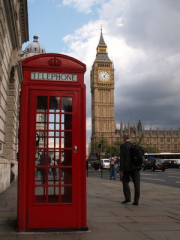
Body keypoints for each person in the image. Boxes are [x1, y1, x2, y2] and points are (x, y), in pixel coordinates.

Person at [120, 133, 141, 206]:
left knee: (125, 181)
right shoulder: (134, 145)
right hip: (136, 167)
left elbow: (122, 158)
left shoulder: (123, 146)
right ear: (130, 138)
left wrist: (121, 169)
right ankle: (136, 200)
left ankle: (128, 198)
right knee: (137, 184)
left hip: (127, 167)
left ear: (124, 138)